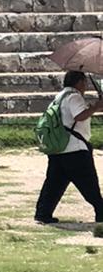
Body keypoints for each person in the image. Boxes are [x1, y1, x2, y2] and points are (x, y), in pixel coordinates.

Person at [35, 68, 103, 226]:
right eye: (85, 83)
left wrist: (97, 106)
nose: (85, 86)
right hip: (74, 148)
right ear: (79, 82)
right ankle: (101, 211)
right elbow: (79, 116)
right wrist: (94, 108)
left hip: (59, 148)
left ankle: (43, 213)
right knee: (89, 184)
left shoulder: (60, 96)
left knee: (53, 183)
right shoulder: (74, 96)